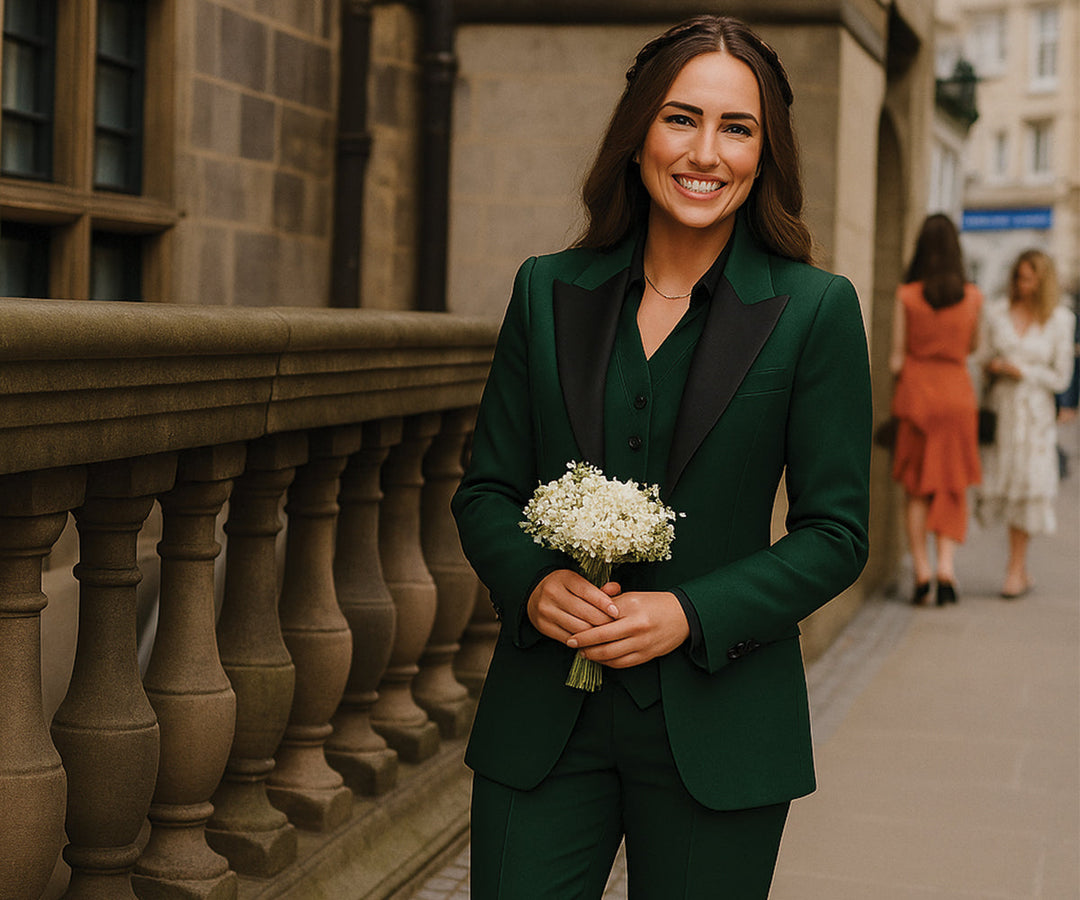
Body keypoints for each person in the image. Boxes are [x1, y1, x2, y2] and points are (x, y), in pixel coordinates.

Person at [452, 15, 871, 899]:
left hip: (722, 726)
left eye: (736, 128)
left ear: (764, 152)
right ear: (639, 130)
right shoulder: (545, 289)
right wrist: (533, 581)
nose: (705, 153)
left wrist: (690, 612)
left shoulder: (815, 311)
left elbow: (835, 534)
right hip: (544, 719)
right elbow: (486, 490)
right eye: (682, 118)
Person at [887, 214, 983, 606]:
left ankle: (922, 572)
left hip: (917, 397)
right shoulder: (973, 297)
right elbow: (973, 347)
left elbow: (896, 358)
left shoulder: (907, 295)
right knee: (952, 486)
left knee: (916, 488)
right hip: (957, 395)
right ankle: (946, 568)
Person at [975, 250, 1075, 599]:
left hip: (1035, 416)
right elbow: (981, 357)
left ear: (1043, 281)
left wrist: (1024, 371)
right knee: (1005, 488)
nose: (1023, 284)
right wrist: (994, 366)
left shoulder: (1060, 320)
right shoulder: (996, 311)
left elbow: (1062, 378)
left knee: (1029, 488)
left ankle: (1015, 568)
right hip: (1001, 410)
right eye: (1019, 277)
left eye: (1030, 278)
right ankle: (1019, 568)